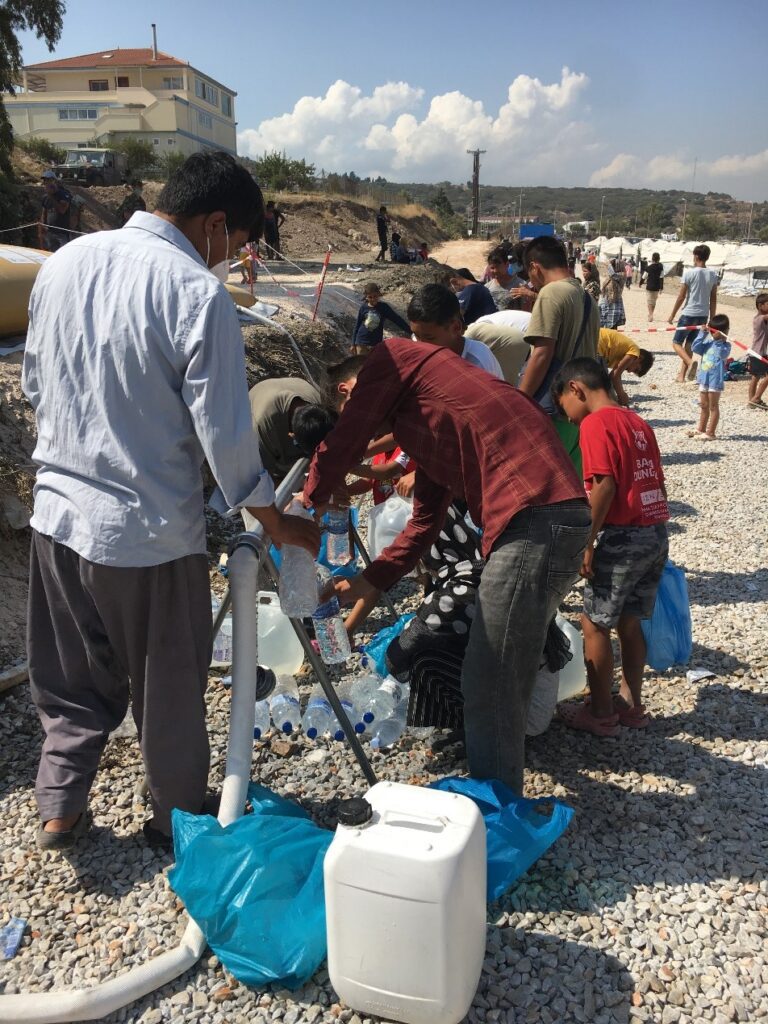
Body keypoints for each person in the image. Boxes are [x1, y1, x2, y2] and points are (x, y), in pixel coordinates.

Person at [22, 151, 320, 851]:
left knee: (69, 680)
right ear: (215, 223)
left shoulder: (64, 262)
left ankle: (59, 808)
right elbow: (224, 429)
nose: (234, 257)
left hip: (55, 516)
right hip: (144, 533)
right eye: (239, 243)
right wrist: (273, 521)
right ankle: (176, 821)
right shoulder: (195, 292)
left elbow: (38, 379)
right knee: (168, 688)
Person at [304, 337, 591, 795]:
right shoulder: (433, 425)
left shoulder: (392, 357)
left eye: (350, 404)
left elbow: (348, 434)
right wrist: (367, 580)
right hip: (556, 520)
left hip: (534, 519)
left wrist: (308, 501)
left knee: (488, 676)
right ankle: (500, 785)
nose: (365, 418)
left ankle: (495, 812)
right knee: (500, 670)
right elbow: (422, 525)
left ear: (347, 389)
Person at [552, 357, 669, 736]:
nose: (568, 418)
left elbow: (603, 485)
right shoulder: (635, 420)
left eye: (563, 407)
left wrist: (586, 542)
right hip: (654, 530)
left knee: (593, 623)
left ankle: (600, 713)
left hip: (622, 536)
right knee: (629, 620)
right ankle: (632, 704)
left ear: (576, 389)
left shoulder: (595, 423)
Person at [520, 236, 600, 475]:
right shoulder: (586, 297)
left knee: (543, 480)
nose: (531, 281)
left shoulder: (551, 293)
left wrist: (519, 399)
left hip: (555, 409)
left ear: (535, 266)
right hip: (581, 409)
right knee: (571, 482)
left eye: (529, 273)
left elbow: (542, 354)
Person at [248, 376, 336, 482]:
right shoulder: (262, 429)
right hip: (257, 409)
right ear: (292, 435)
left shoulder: (322, 406)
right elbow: (265, 482)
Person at [668, 244, 718, 383]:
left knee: (676, 343)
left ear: (696, 256)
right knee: (689, 345)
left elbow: (681, 296)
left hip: (689, 313)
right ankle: (681, 376)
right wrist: (712, 317)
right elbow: (713, 298)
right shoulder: (712, 274)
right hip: (703, 315)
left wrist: (672, 314)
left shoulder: (689, 273)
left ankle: (690, 363)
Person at [689, 314, 731, 441]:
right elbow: (695, 348)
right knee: (703, 405)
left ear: (725, 332)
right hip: (704, 378)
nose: (714, 334)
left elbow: (721, 354)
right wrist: (702, 333)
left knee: (713, 406)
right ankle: (701, 428)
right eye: (712, 331)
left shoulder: (725, 346)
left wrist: (719, 340)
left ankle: (711, 432)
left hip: (715, 381)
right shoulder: (708, 343)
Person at [598, 328, 654, 406]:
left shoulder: (621, 352)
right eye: (636, 369)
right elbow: (614, 376)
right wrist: (622, 395)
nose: (629, 371)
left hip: (594, 339)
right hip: (598, 345)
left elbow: (616, 375)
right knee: (599, 383)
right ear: (640, 358)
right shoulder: (635, 352)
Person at [351, 282, 410, 354]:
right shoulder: (363, 307)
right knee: (362, 365)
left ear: (378, 294)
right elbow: (357, 325)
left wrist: (411, 331)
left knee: (375, 364)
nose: (373, 299)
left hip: (376, 344)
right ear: (366, 296)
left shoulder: (383, 307)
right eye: (370, 297)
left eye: (375, 296)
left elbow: (397, 319)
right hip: (361, 343)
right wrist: (353, 343)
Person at [38, 170, 72, 252]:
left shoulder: (64, 194)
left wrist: (51, 196)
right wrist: (42, 230)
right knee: (51, 254)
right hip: (50, 232)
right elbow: (44, 213)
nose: (46, 183)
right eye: (45, 181)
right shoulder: (45, 197)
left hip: (62, 233)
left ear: (54, 181)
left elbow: (62, 210)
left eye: (48, 180)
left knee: (64, 253)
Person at [747, 292, 768, 410]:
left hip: (759, 352)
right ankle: (756, 398)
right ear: (760, 306)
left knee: (755, 377)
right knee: (757, 377)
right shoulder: (759, 318)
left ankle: (752, 400)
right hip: (757, 353)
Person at [644, 252, 664, 322]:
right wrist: (661, 287)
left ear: (652, 259)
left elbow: (644, 277)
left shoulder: (648, 267)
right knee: (654, 301)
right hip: (657, 287)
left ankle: (650, 314)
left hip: (649, 286)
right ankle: (651, 314)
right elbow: (661, 277)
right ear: (659, 259)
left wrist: (640, 283)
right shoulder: (661, 268)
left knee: (649, 301)